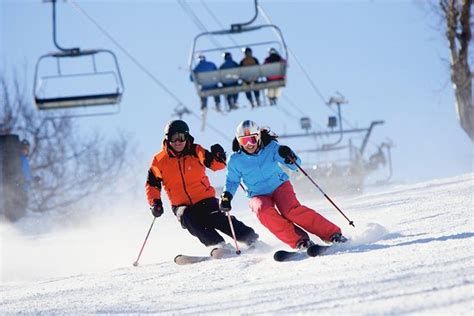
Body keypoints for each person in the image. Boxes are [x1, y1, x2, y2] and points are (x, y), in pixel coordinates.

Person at [219, 120, 347, 252]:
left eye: (252, 139)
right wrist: (226, 196)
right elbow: (232, 181)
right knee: (262, 210)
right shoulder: (235, 160)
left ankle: (332, 234)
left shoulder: (271, 148)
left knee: (290, 210)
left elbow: (295, 165)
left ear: (258, 137)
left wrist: (288, 156)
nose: (249, 144)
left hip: (279, 185)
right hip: (257, 193)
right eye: (244, 141)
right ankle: (300, 241)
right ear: (238, 141)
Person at [145, 120, 259, 252]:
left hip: (204, 198)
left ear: (186, 137)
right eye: (173, 138)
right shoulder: (159, 161)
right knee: (189, 219)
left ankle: (250, 238)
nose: (177, 142)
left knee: (217, 217)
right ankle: (218, 245)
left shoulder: (196, 151)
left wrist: (219, 156)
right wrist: (155, 203)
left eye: (181, 137)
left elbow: (216, 165)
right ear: (167, 139)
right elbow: (152, 184)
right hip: (181, 205)